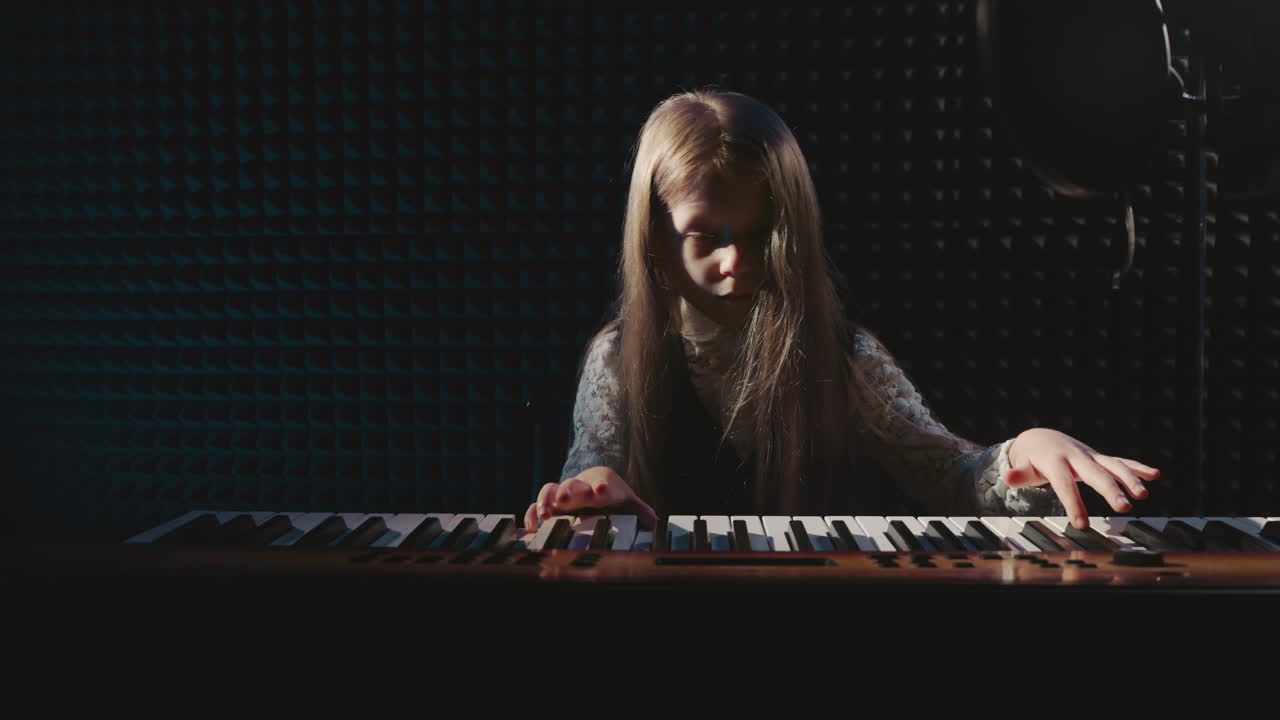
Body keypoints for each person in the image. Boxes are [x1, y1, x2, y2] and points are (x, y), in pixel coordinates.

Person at [522, 89, 1159, 536]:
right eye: (705, 236)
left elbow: (950, 472)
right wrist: (592, 491)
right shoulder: (615, 355)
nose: (737, 261)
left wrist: (1026, 447)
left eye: (760, 231)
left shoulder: (843, 354)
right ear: (655, 237)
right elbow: (591, 472)